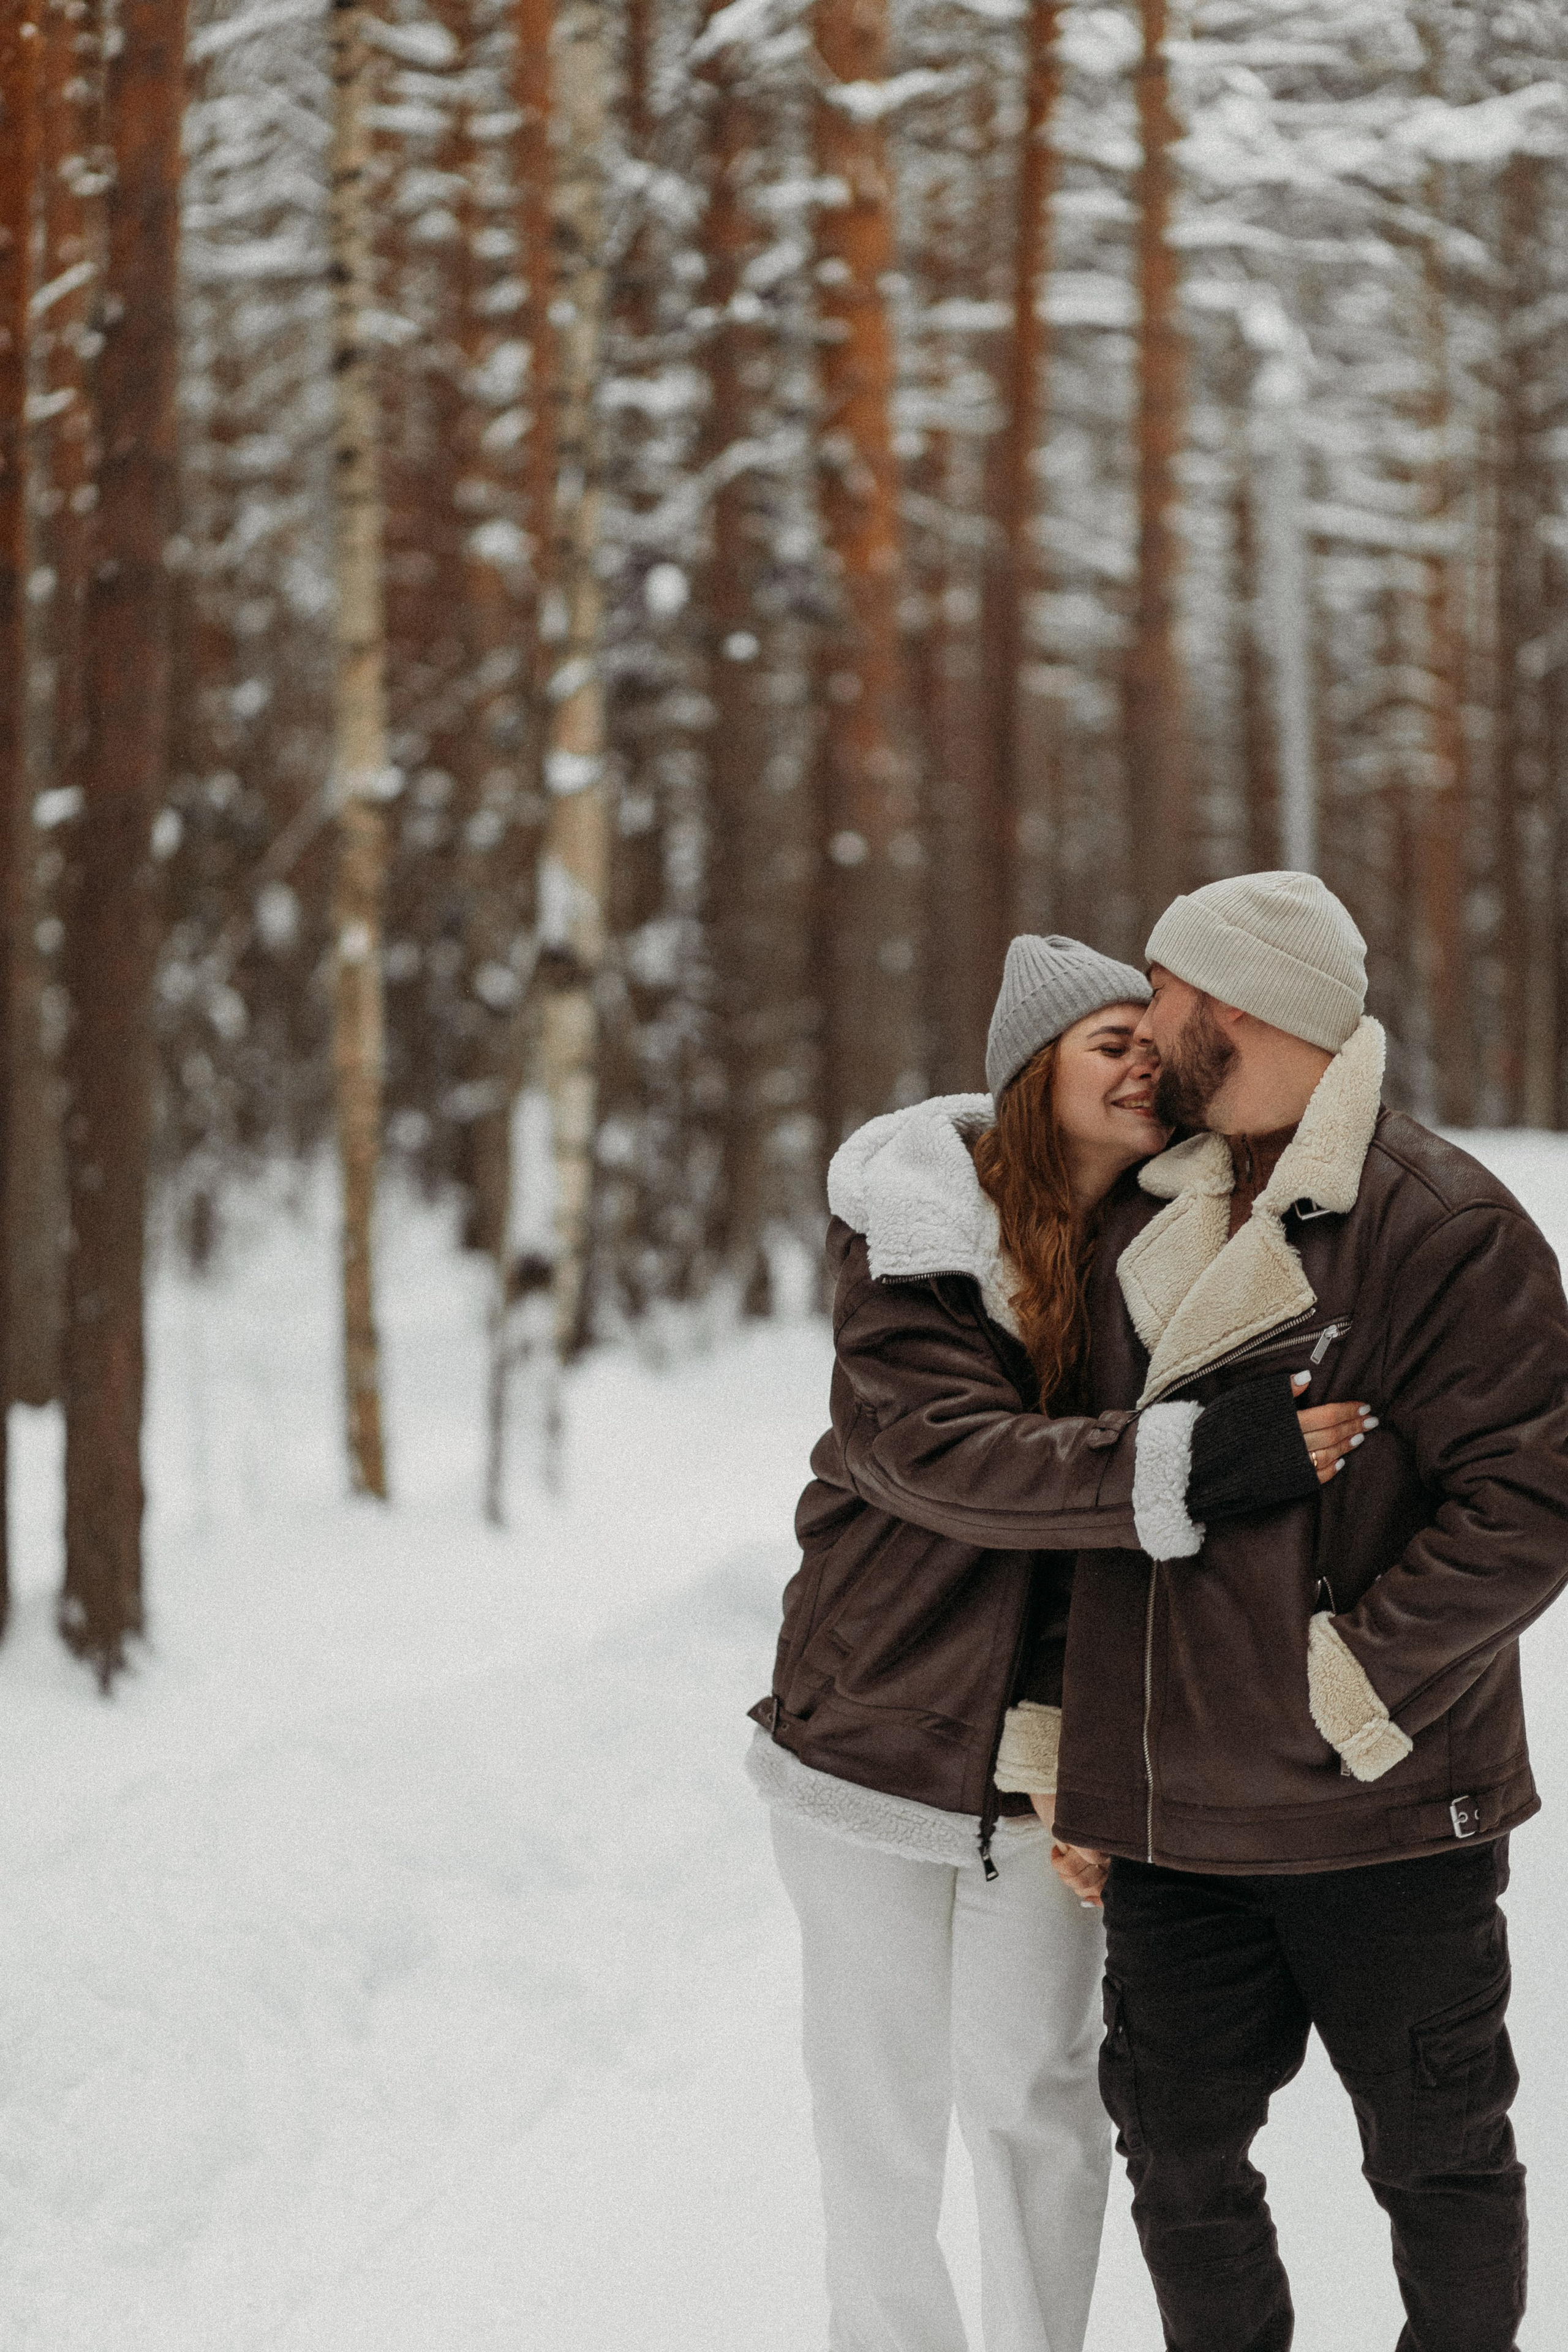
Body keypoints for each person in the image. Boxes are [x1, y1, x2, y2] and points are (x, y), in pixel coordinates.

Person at [747, 934, 1368, 2352]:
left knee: (1035, 2102)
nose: (1145, 1067)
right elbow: (942, 1458)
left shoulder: (1165, 1260)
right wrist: (1194, 1461)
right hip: (869, 1736)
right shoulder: (912, 1240)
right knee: (877, 2114)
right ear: (1034, 1073)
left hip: (1048, 1763)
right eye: (1110, 1045)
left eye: (1155, 1047)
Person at [1049, 870, 1568, 2352]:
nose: (1141, 1023)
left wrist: (1347, 1682)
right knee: (1176, 2161)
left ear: (1235, 1010)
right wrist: (1087, 1765)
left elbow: (1527, 1504)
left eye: (1161, 993)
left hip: (1381, 1808)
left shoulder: (1440, 1225)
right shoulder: (1135, 1218)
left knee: (1436, 2159)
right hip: (1173, 1825)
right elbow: (1088, 1514)